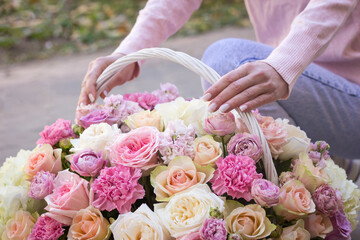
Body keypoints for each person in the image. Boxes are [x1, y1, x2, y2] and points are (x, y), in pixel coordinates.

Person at [78, 0, 360, 165]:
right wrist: (127, 53)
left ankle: (324, 165)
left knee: (227, 59)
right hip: (310, 92)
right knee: (241, 72)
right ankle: (333, 166)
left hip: (353, 97)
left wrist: (283, 64)